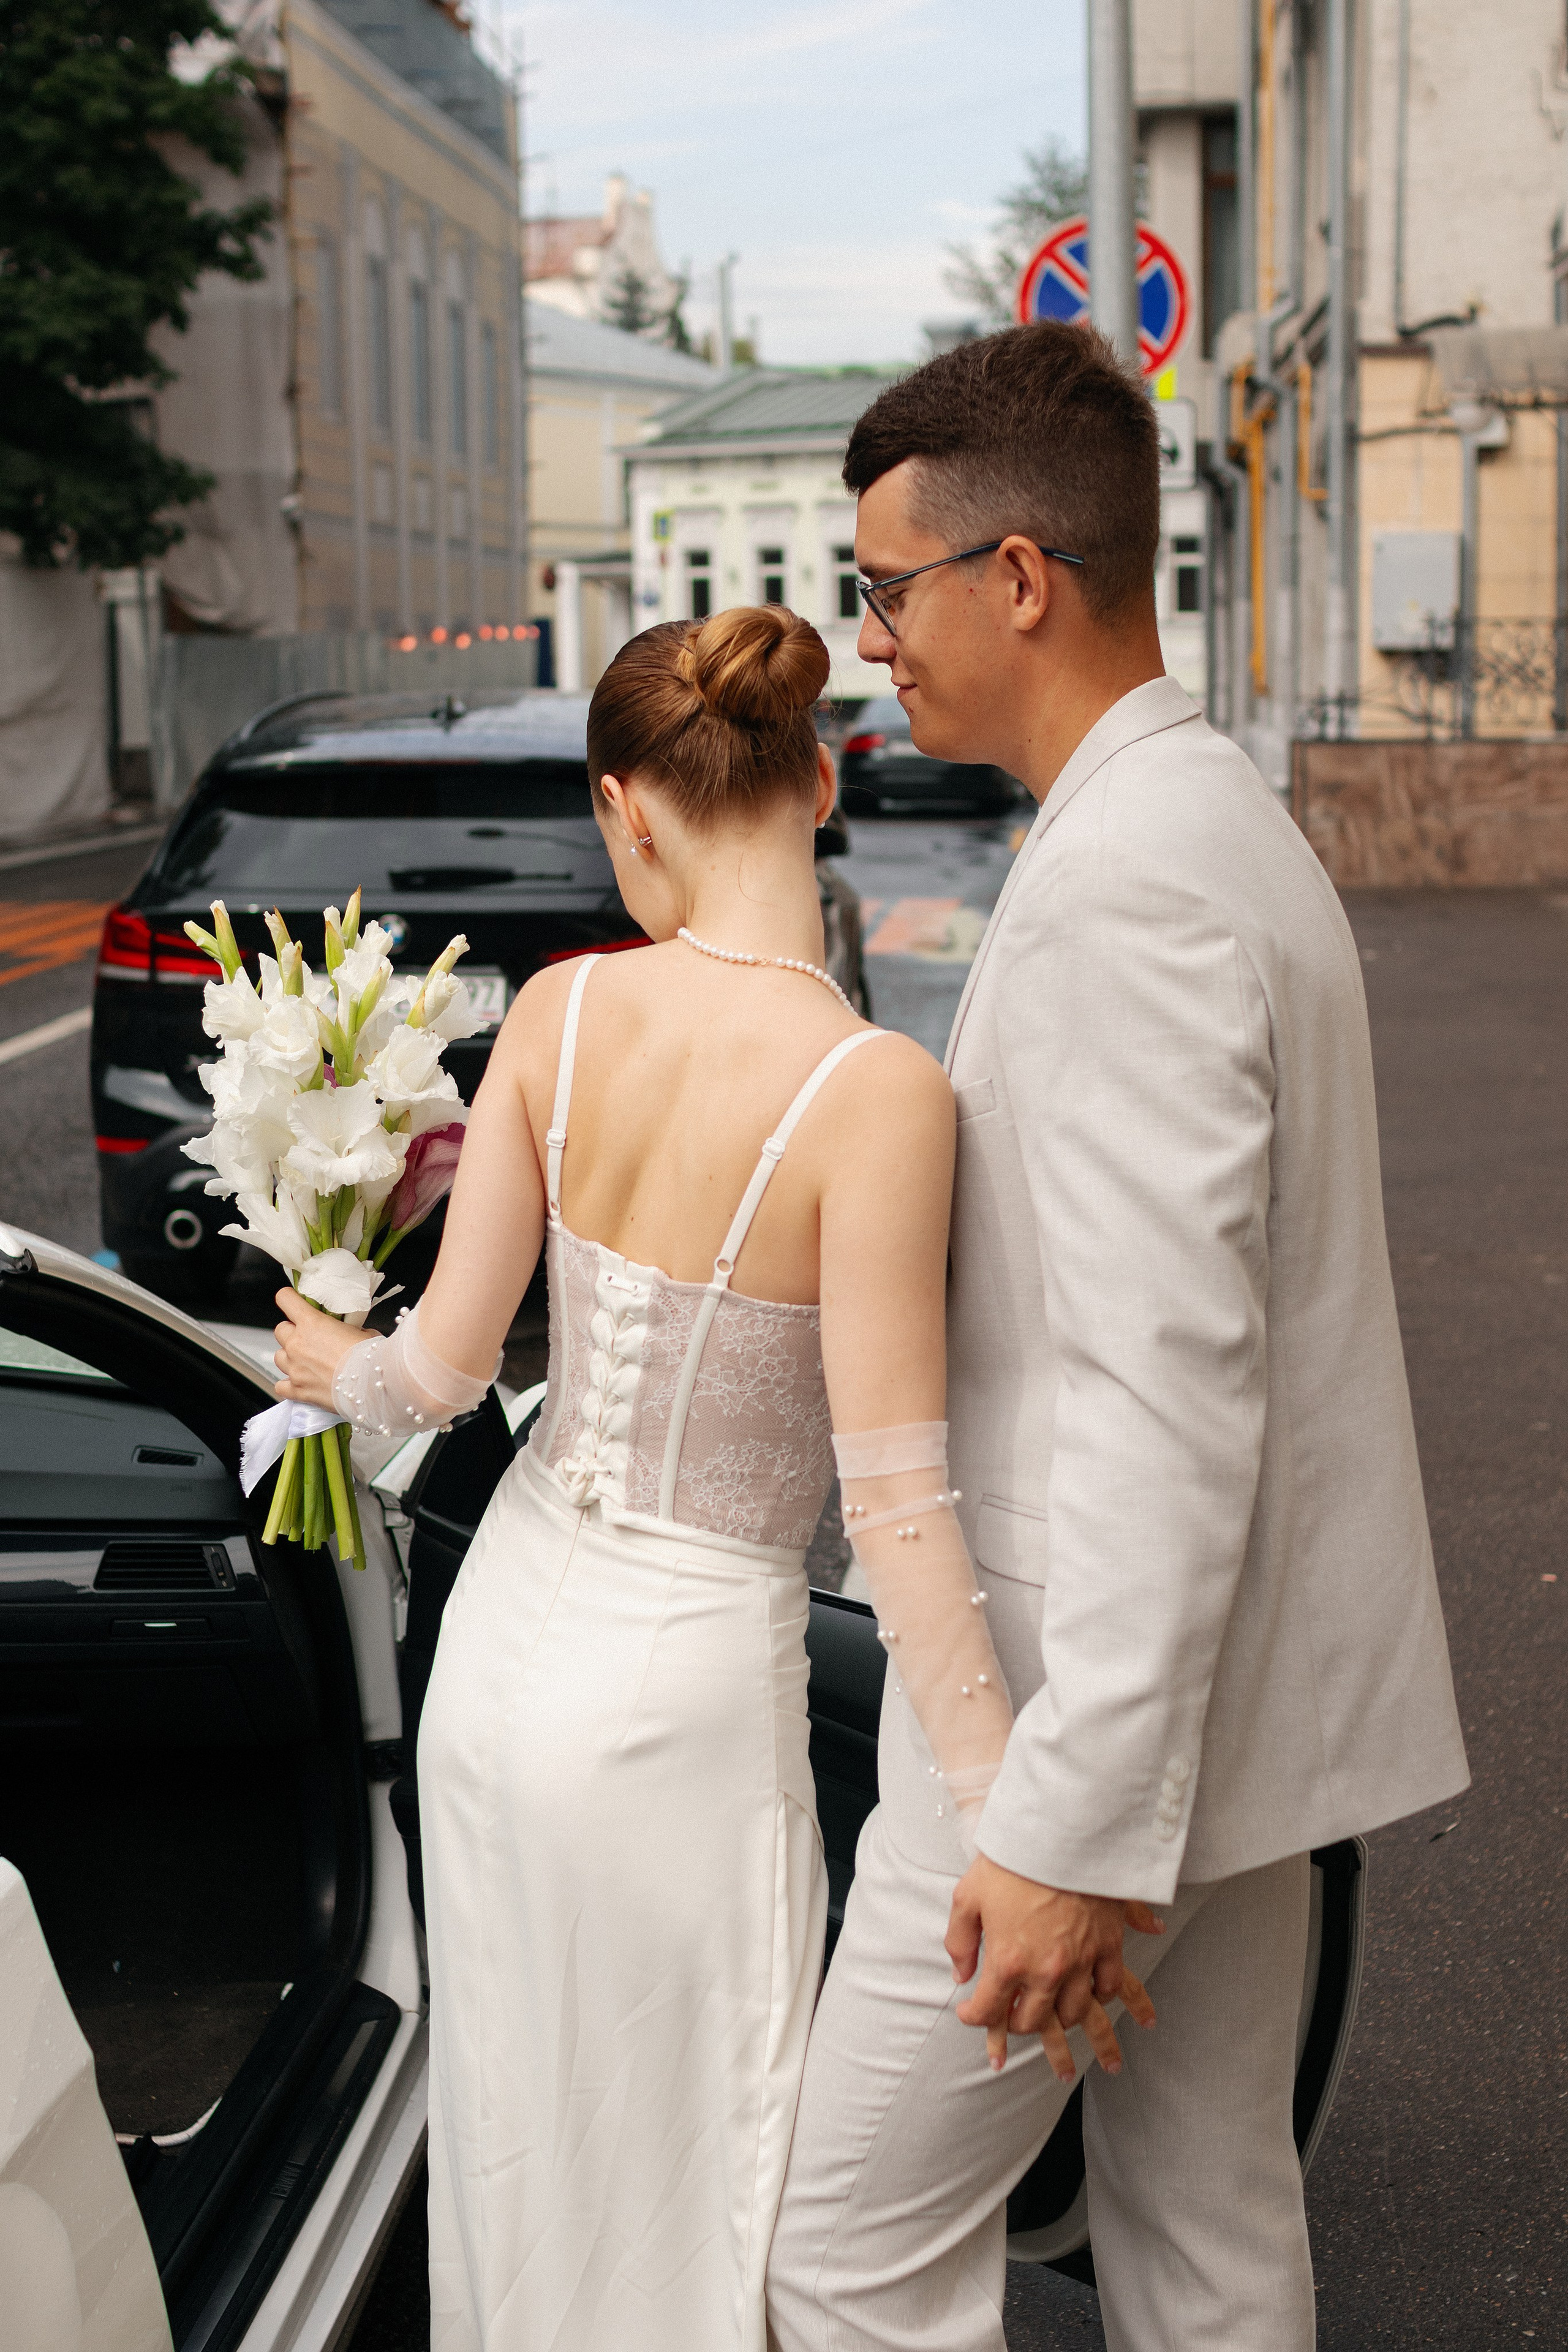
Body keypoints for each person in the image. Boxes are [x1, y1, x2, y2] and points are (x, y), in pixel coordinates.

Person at [270, 604, 1149, 2351]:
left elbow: (436, 1381)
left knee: (521, 2139)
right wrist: (1014, 1819)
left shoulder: (562, 1011)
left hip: (501, 1673)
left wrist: (319, 1353)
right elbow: (900, 1508)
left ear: (628, 810)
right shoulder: (876, 1092)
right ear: (820, 781)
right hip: (678, 1707)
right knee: (702, 2170)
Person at [766, 323, 1470, 2350]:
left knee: (853, 2258)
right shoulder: (1205, 819)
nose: (873, 636)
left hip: (1080, 1736)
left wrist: (1068, 1826)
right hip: (1230, 1731)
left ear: (1015, 577)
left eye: (887, 588)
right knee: (1206, 2228)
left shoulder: (1132, 886)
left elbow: (1169, 1395)